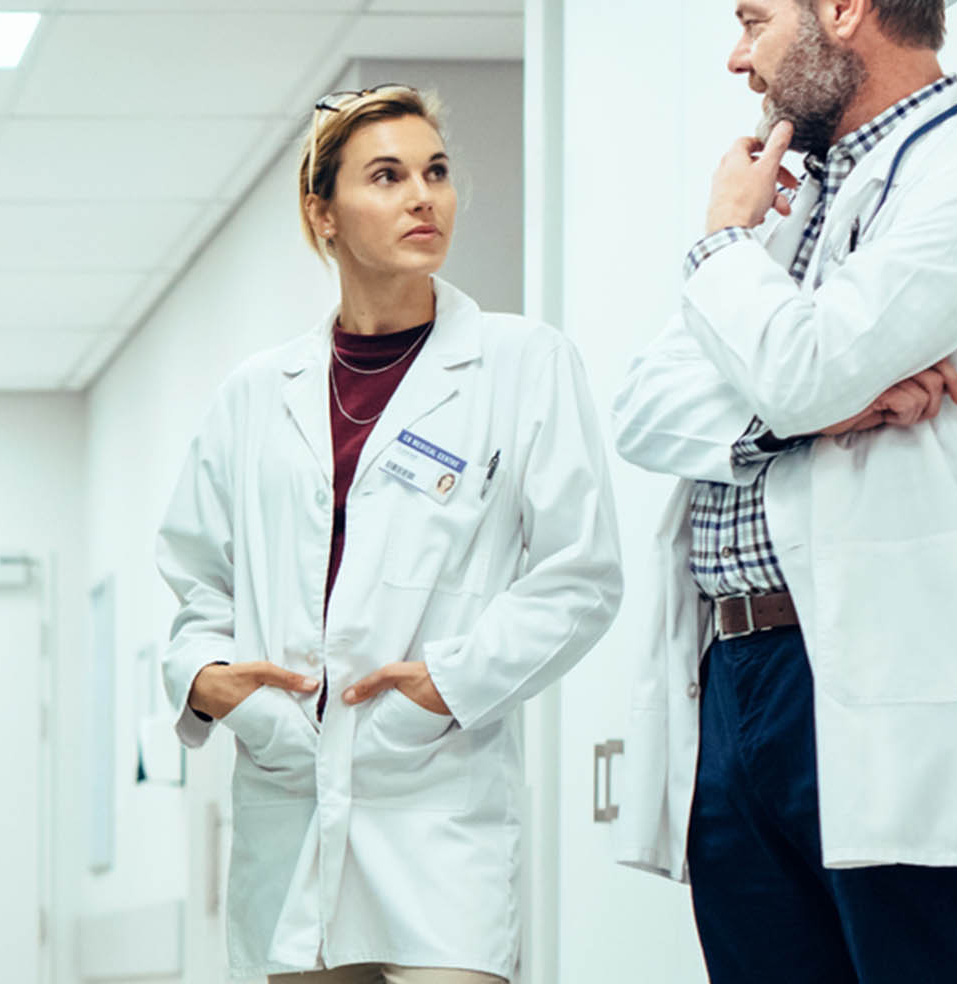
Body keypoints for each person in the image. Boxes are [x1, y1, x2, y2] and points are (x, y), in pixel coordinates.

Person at [612, 0, 957, 983]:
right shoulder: (795, 205)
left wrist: (726, 254)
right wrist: (799, 409)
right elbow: (645, 402)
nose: (739, 61)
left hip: (876, 681)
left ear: (841, 4)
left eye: (751, 21)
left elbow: (801, 364)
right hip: (735, 679)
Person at [158, 85, 622, 983]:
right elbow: (196, 577)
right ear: (320, 212)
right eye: (387, 176)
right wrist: (210, 681)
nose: (424, 197)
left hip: (437, 811)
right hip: (287, 794)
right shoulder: (258, 393)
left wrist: (446, 687)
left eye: (436, 172)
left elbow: (582, 574)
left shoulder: (522, 364)